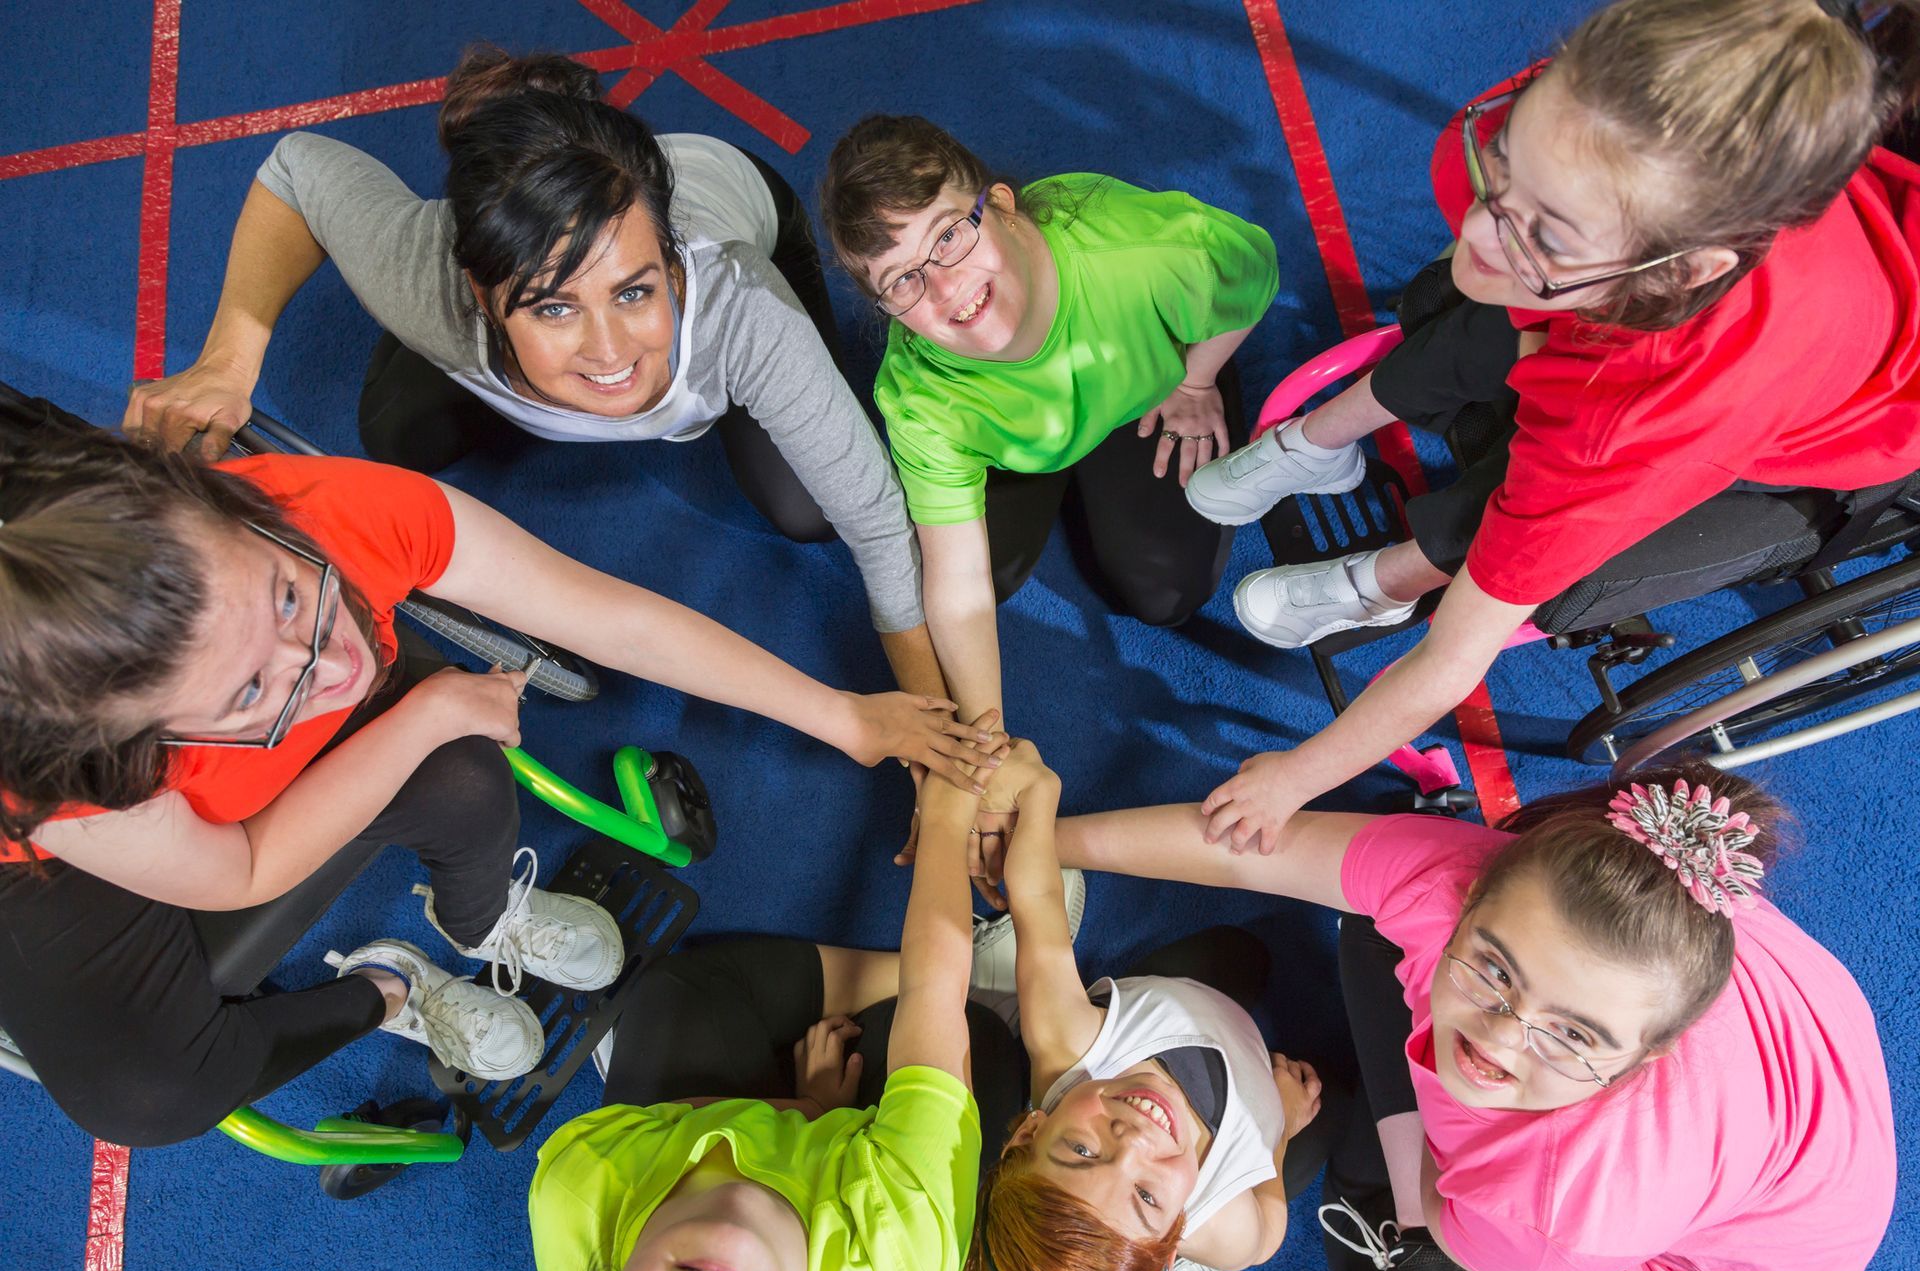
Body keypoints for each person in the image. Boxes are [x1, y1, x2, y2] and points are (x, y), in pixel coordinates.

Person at [0, 388, 1001, 1148]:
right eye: (253, 693)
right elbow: (238, 868)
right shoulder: (71, 766)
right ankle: (395, 991)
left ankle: (479, 917)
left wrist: (842, 715)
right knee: (149, 1095)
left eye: (288, 596)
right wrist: (427, 704)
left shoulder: (331, 512)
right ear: (134, 745)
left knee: (470, 773)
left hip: (208, 796)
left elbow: (609, 614)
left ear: (232, 509)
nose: (336, 661)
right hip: (77, 869)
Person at [1182, 0, 1920, 852]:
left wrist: (1295, 778)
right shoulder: (1584, 128)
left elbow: (1454, 662)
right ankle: (1319, 443)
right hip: (1736, 272)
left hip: (1836, 416)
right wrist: (1534, 296)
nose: (1476, 226)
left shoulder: (1638, 414)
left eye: (1545, 231)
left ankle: (1391, 582)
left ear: (1685, 270)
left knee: (1524, 499)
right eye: (1501, 173)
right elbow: (1515, 239)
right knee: (1488, 302)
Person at [120, 46, 946, 698]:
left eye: (634, 291)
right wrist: (227, 362)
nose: (610, 350)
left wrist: (942, 748)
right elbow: (298, 170)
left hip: (740, 212)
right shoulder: (427, 277)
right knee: (397, 435)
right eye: (553, 307)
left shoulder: (742, 311)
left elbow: (876, 521)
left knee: (808, 509)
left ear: (666, 261)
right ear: (480, 291)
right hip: (473, 300)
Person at [1050, 768, 1898, 1271]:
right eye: (1493, 970)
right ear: (1471, 893)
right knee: (1362, 936)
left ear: (1645, 1059)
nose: (1496, 1038)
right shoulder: (1460, 878)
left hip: (1758, 1240)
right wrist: (1045, 840)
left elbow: (1450, 1221)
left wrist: (1435, 1206)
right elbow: (1244, 846)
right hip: (1798, 1062)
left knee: (1424, 1223)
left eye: (1571, 1033)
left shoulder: (1568, 1207)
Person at [820, 116, 1278, 784]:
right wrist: (987, 750)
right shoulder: (919, 393)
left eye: (949, 234)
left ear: (1001, 206)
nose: (948, 289)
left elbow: (1254, 274)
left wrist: (1195, 378)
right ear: (884, 306)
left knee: (1165, 592)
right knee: (969, 585)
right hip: (1021, 450)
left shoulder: (1147, 256)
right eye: (904, 280)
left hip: (1142, 399)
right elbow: (959, 581)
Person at [526, 747, 997, 1271]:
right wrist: (947, 814)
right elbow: (933, 991)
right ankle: (986, 978)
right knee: (976, 1037)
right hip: (867, 1172)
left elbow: (676, 1117)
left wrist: (807, 1105)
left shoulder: (579, 1188)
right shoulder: (906, 1248)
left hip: (685, 1139)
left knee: (669, 992)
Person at [965, 741, 1331, 1271]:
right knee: (1330, 1108)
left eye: (1083, 1151)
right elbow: (1268, 1238)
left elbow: (1038, 904)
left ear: (1029, 1131)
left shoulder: (1065, 1041)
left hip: (1181, 994)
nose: (1134, 1140)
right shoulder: (1223, 1230)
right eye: (1146, 1198)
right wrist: (1280, 1136)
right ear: (1177, 1232)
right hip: (1253, 1106)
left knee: (1242, 952)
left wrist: (1039, 793)